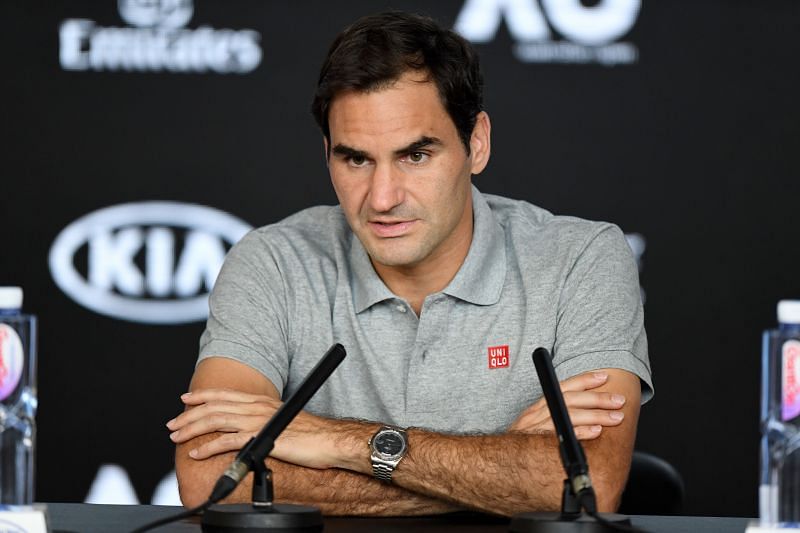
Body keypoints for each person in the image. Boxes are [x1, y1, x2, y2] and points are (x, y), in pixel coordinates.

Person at [168, 11, 652, 516]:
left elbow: (585, 483)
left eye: (415, 156)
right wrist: (493, 475)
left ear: (477, 143)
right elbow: (210, 478)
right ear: (326, 153)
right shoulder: (272, 261)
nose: (381, 198)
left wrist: (337, 441)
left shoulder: (581, 259)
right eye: (356, 159)